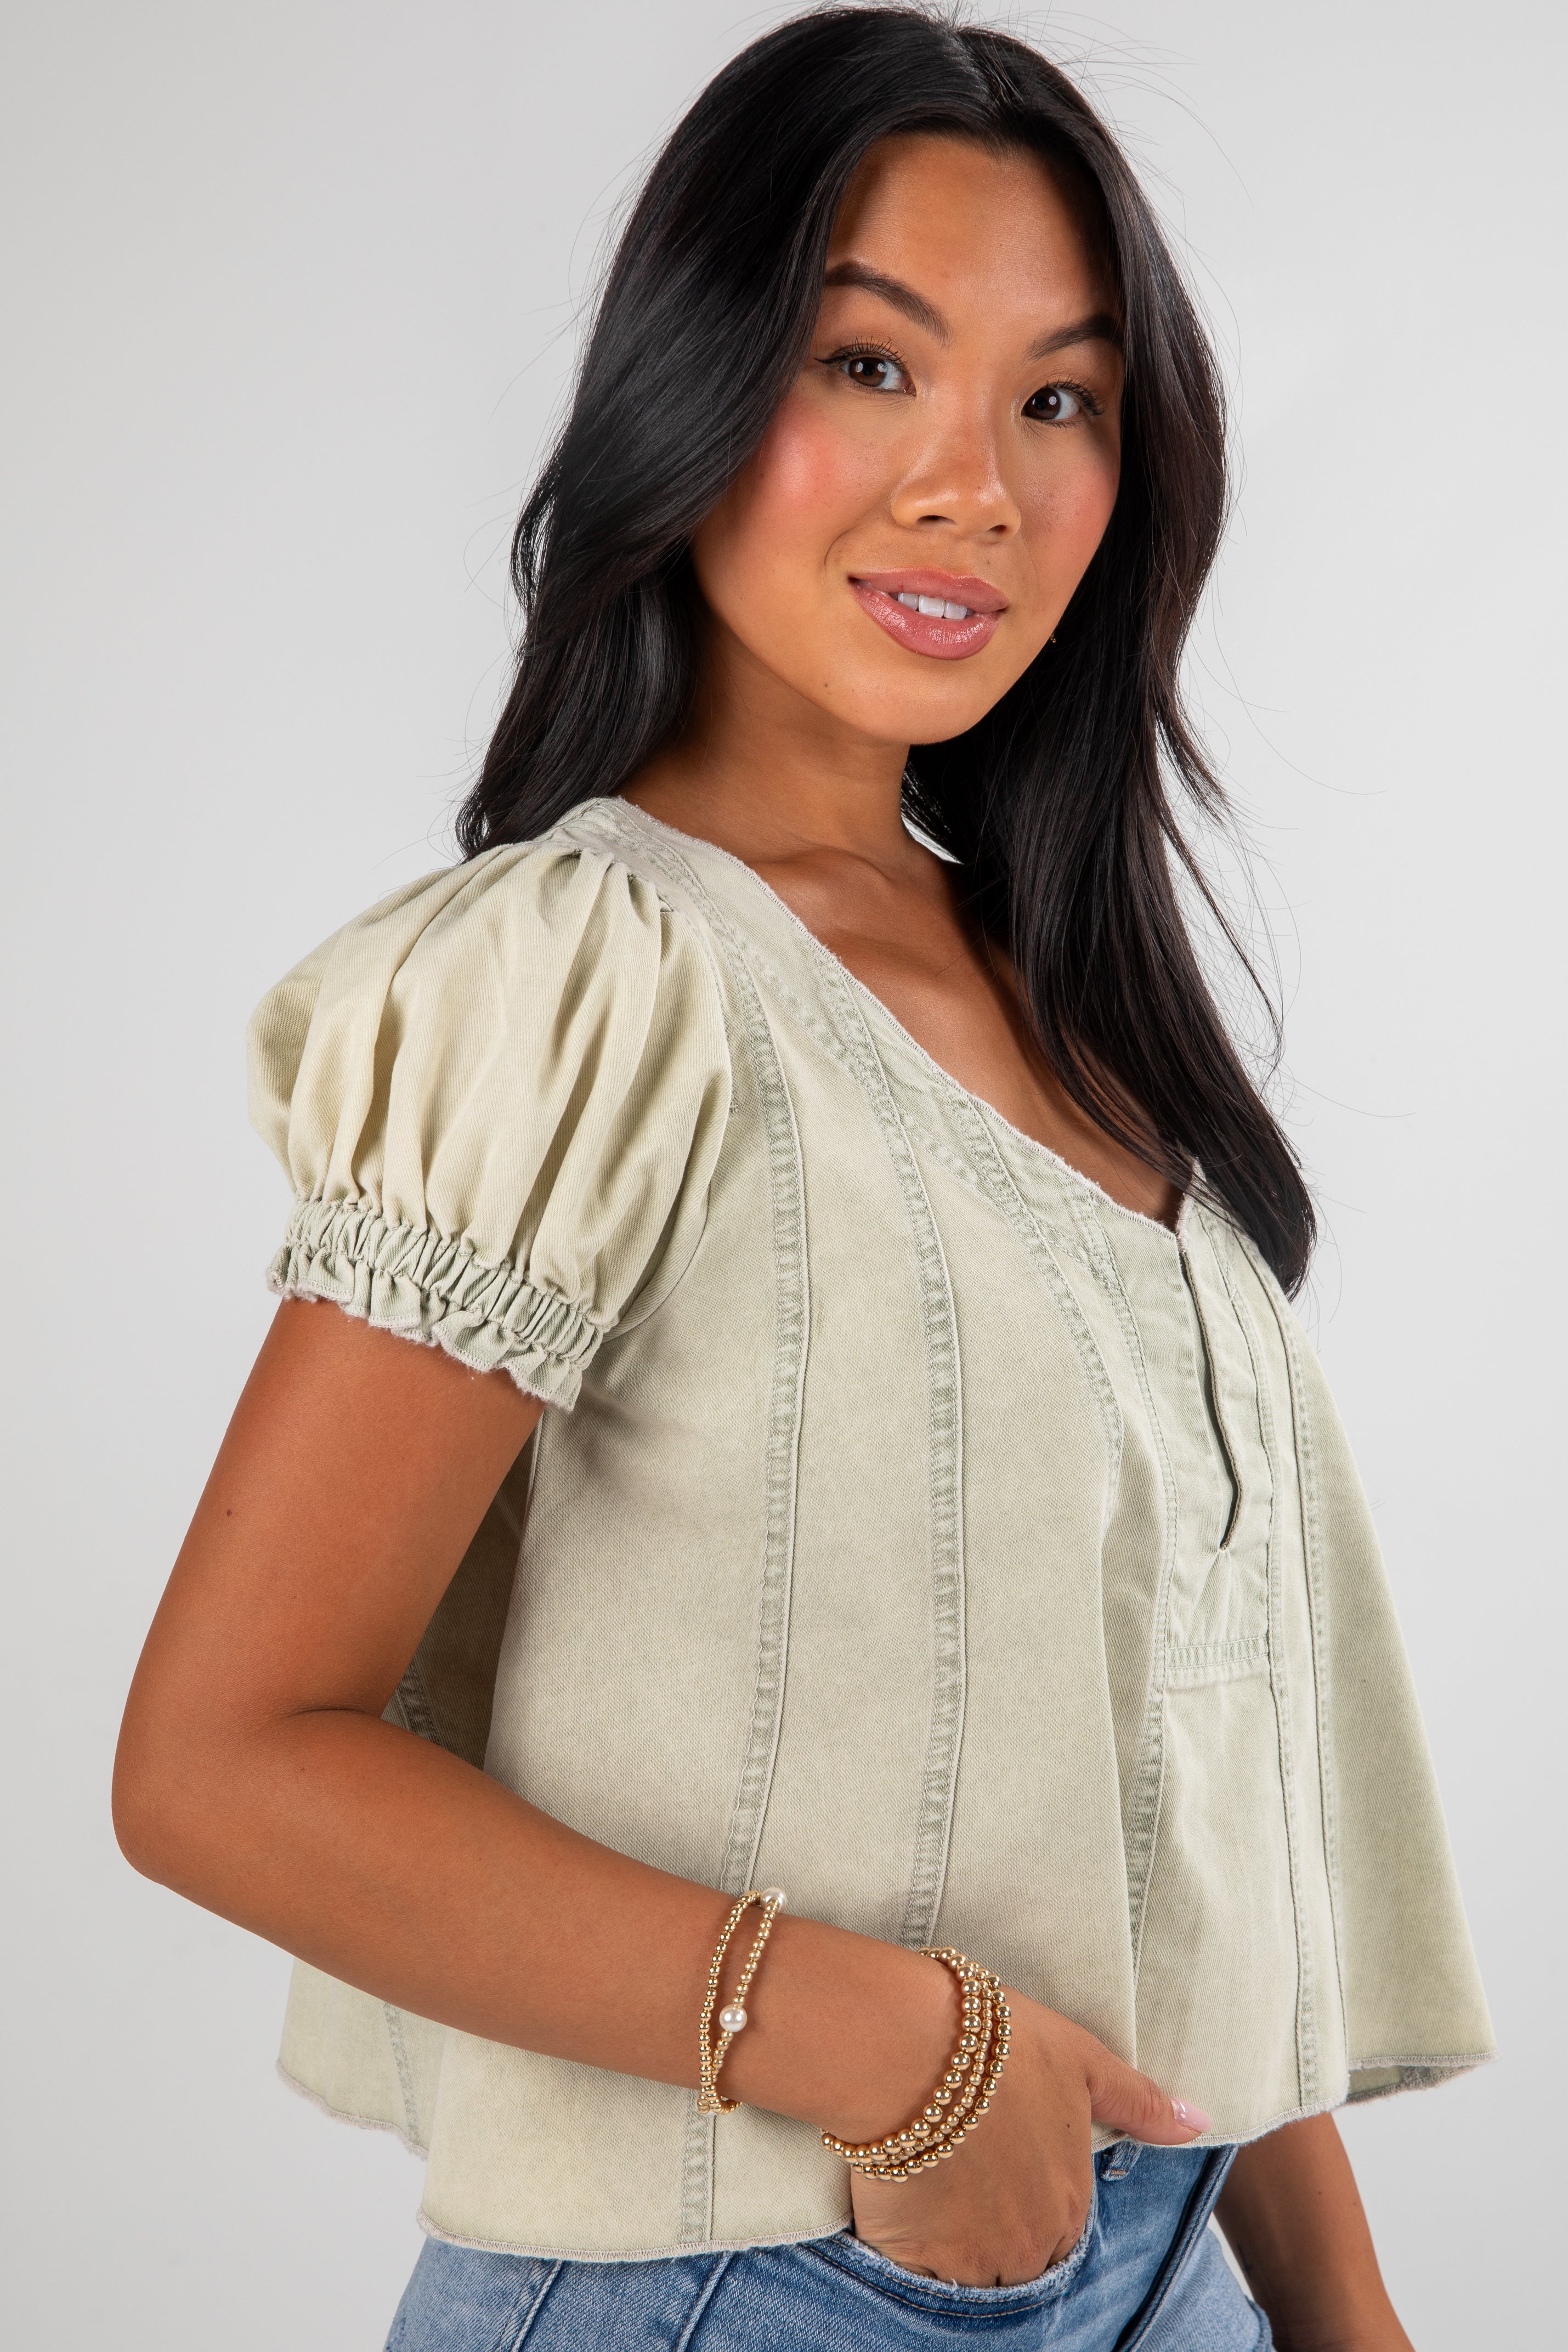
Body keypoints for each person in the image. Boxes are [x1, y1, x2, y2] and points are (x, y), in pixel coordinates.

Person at [112, 10, 1493, 2347]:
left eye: (1057, 400)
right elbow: (221, 1761)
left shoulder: (1065, 1002)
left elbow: (1191, 1808)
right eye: (872, 367)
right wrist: (894, 2049)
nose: (974, 484)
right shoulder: (587, 978)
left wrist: (1344, 2320)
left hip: (1173, 2263)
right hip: (760, 2283)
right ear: (693, 380)